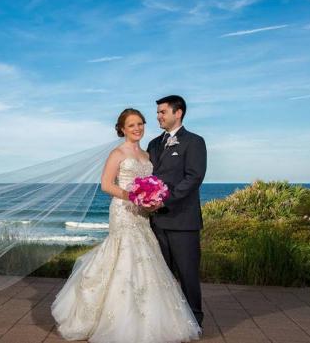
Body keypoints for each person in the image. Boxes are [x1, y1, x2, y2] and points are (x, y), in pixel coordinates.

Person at [51, 108, 201, 343]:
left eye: (140, 123)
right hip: (123, 210)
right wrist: (134, 197)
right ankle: (116, 320)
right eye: (131, 125)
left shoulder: (147, 154)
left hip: (142, 214)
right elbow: (106, 185)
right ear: (122, 129)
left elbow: (152, 182)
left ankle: (146, 318)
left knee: (146, 257)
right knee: (123, 255)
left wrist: (151, 200)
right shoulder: (117, 153)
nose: (137, 128)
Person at [147, 95, 207, 326]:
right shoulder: (153, 144)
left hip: (183, 221)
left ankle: (194, 321)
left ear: (178, 112)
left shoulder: (194, 142)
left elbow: (194, 178)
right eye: (158, 112)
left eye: (162, 112)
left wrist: (165, 201)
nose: (158, 116)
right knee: (159, 274)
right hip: (156, 222)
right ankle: (165, 321)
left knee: (187, 274)